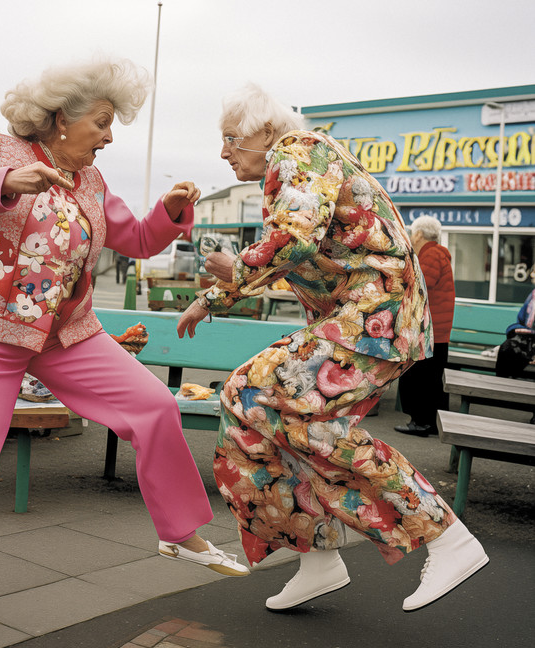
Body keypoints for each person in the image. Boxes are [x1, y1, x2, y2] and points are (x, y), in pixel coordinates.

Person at [0, 59, 247, 648]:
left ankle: (180, 533)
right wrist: (3, 183)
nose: (109, 136)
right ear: (58, 118)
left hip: (65, 335)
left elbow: (135, 239)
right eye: (102, 123)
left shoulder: (91, 181)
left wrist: (172, 209)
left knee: (155, 406)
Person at [177, 84, 488, 615]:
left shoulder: (297, 151)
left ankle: (445, 534)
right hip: (366, 318)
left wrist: (232, 277)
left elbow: (292, 239)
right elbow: (308, 250)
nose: (225, 151)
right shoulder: (301, 163)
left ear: (267, 132)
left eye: (232, 138)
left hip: (376, 316)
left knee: (253, 390)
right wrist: (214, 294)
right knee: (258, 410)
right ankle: (316, 557)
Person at [395, 216, 455, 437]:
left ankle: (421, 422)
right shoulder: (436, 253)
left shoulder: (429, 255)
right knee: (430, 378)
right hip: (436, 329)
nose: (411, 235)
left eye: (413, 231)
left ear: (419, 234)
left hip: (430, 330)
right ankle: (428, 421)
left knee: (419, 377)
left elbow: (419, 286)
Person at [495, 266, 535, 379]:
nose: (532, 275)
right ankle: (500, 390)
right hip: (528, 343)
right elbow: (521, 320)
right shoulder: (533, 295)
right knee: (507, 349)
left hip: (531, 346)